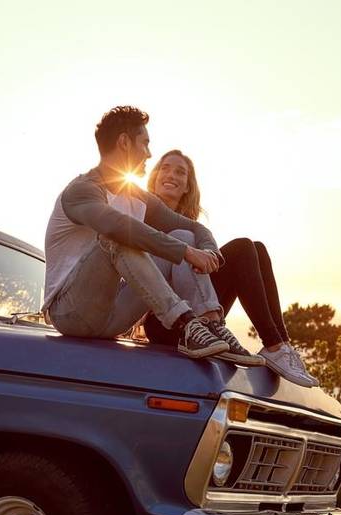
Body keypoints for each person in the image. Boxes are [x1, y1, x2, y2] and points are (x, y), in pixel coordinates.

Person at [43, 106, 252, 361]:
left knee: (182, 235)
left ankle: (210, 322)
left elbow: (194, 228)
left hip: (115, 316)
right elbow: (116, 227)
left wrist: (208, 251)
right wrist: (187, 253)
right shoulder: (81, 191)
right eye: (145, 143)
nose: (149, 153)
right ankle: (184, 323)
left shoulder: (137, 196)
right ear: (124, 142)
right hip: (71, 312)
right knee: (120, 236)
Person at [141, 149, 319, 387]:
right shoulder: (141, 214)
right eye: (165, 168)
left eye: (180, 172)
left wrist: (207, 256)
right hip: (167, 322)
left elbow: (205, 265)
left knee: (256, 249)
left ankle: (279, 344)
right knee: (242, 247)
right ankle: (275, 346)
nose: (171, 175)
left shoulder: (193, 228)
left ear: (187, 186)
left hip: (202, 318)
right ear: (153, 177)